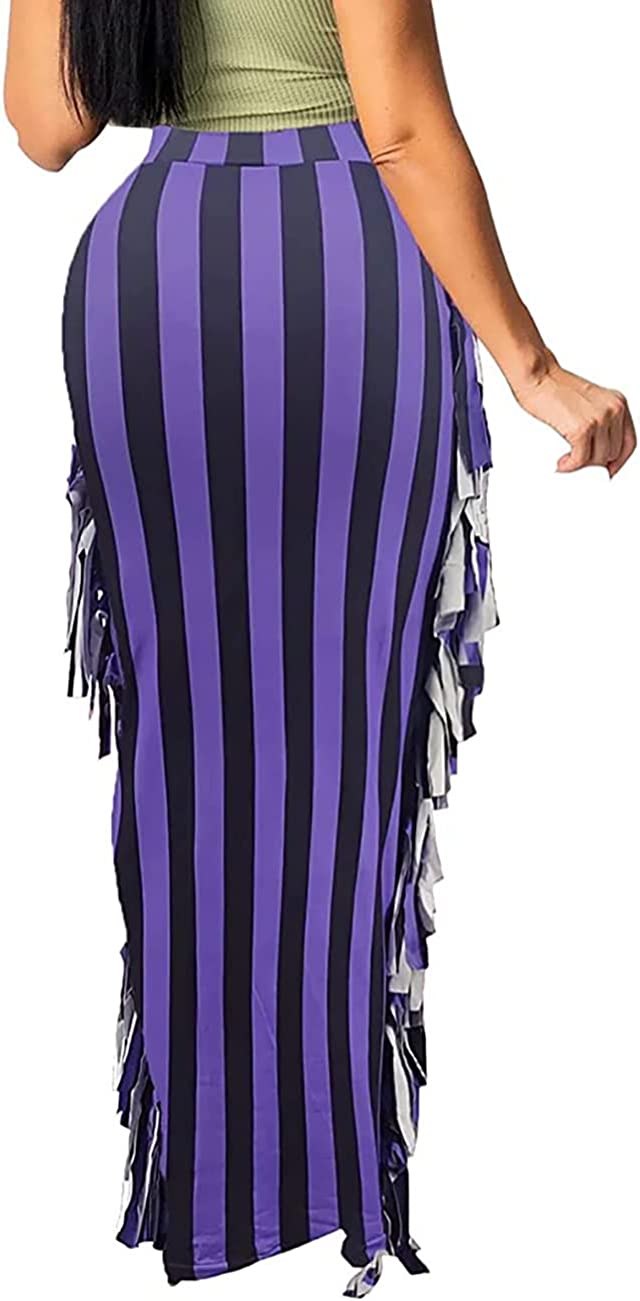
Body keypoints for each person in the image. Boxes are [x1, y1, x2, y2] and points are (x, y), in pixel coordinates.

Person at [4, 1, 636, 1296]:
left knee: (185, 757)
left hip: (157, 278)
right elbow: (398, 125)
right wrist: (531, 365)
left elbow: (47, 124)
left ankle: (210, 1195)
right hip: (343, 267)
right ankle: (331, 1173)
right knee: (346, 748)